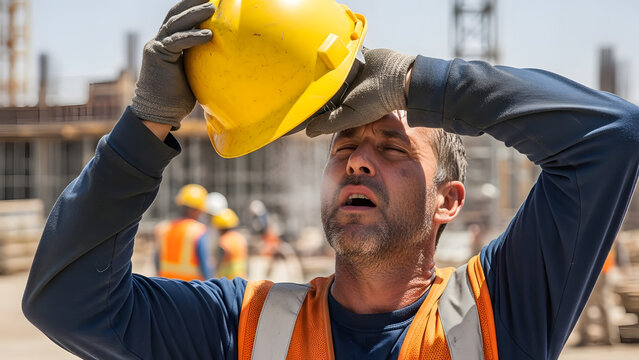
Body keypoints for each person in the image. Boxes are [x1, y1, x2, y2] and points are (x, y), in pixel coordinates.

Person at [22, 1, 639, 359]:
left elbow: (610, 136)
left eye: (392, 146)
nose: (357, 160)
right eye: (344, 147)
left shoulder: (498, 312)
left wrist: (420, 84)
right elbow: (67, 300)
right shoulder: (243, 328)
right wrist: (146, 125)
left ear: (448, 201)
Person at [154, 183, 212, 281]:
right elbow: (204, 264)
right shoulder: (198, 230)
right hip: (190, 287)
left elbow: (157, 260)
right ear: (196, 209)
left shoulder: (164, 228)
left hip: (165, 286)